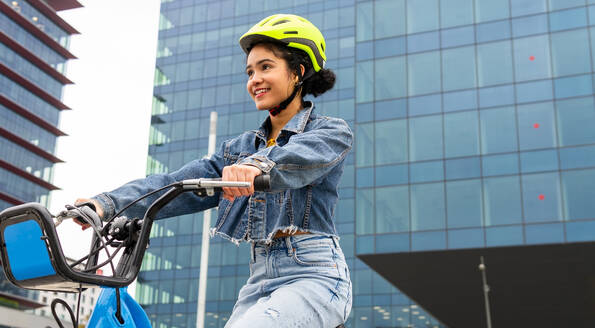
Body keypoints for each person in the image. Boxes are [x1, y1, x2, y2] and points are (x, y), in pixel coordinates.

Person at [76, 14, 353, 328]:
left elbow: (298, 158)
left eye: (266, 67)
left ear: (298, 72)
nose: (254, 80)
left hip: (313, 275)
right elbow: (173, 183)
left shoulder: (330, 133)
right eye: (250, 71)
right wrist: (106, 204)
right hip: (259, 279)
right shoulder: (237, 150)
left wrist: (256, 166)